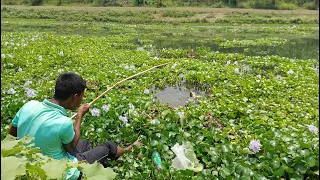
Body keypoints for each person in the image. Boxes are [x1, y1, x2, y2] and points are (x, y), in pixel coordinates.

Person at [9, 72, 142, 179]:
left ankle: (91, 159)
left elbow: (12, 136)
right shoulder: (64, 122)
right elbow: (71, 147)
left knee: (84, 144)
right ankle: (128, 150)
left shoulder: (29, 105)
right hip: (59, 172)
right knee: (108, 147)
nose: (82, 100)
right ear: (75, 97)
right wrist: (79, 116)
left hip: (29, 163)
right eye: (82, 96)